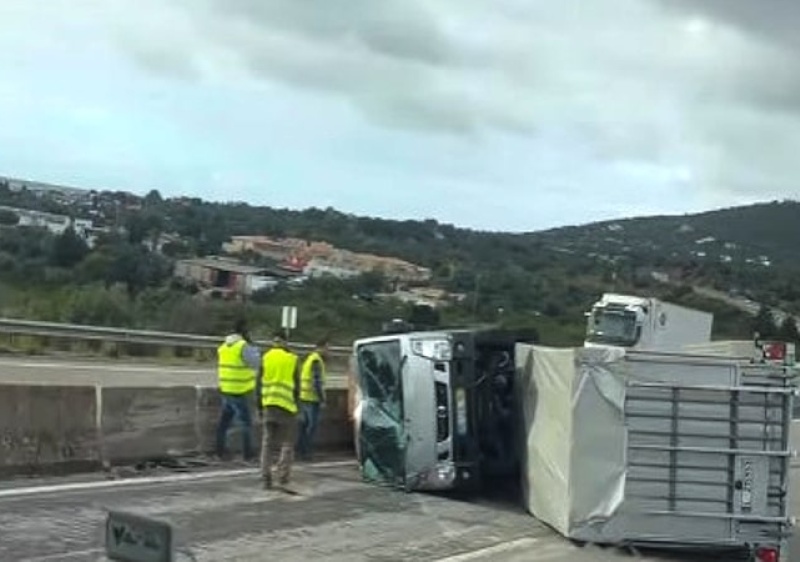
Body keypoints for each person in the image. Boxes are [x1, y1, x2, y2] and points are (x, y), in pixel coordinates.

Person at [259, 331, 301, 492]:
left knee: (267, 444)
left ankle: (266, 478)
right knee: (287, 443)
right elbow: (297, 387)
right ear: (285, 342)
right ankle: (283, 476)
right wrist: (297, 406)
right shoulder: (292, 359)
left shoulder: (265, 357)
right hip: (287, 406)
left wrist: (259, 406)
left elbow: (258, 384)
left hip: (268, 405)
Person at [215, 319, 261, 462]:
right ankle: (248, 454)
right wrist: (253, 347)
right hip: (240, 391)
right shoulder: (243, 346)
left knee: (224, 423)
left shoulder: (223, 347)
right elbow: (256, 363)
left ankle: (220, 451)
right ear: (244, 331)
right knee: (246, 424)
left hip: (226, 389)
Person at [296, 339, 329, 461]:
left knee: (304, 426)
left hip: (304, 396)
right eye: (326, 348)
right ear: (320, 347)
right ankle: (306, 452)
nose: (328, 351)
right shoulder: (316, 361)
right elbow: (317, 382)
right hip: (312, 398)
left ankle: (300, 450)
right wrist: (322, 399)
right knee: (311, 427)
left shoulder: (309, 358)